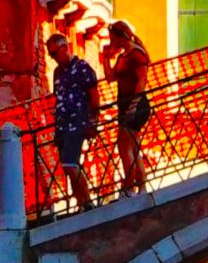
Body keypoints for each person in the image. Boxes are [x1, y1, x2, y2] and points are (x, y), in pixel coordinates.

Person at [47, 29, 99, 209]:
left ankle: (87, 203)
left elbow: (94, 95)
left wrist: (94, 121)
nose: (53, 57)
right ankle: (82, 202)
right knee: (68, 165)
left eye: (54, 53)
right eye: (50, 54)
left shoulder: (83, 68)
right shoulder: (57, 73)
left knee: (69, 163)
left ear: (65, 48)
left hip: (78, 122)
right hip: (62, 125)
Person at [108, 20, 153, 195]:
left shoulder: (136, 54)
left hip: (135, 106)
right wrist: (105, 57)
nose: (111, 42)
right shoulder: (122, 56)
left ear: (121, 37)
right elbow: (111, 78)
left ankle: (129, 188)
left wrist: (133, 105)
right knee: (133, 148)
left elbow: (142, 81)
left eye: (113, 39)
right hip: (125, 105)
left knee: (124, 146)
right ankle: (141, 187)